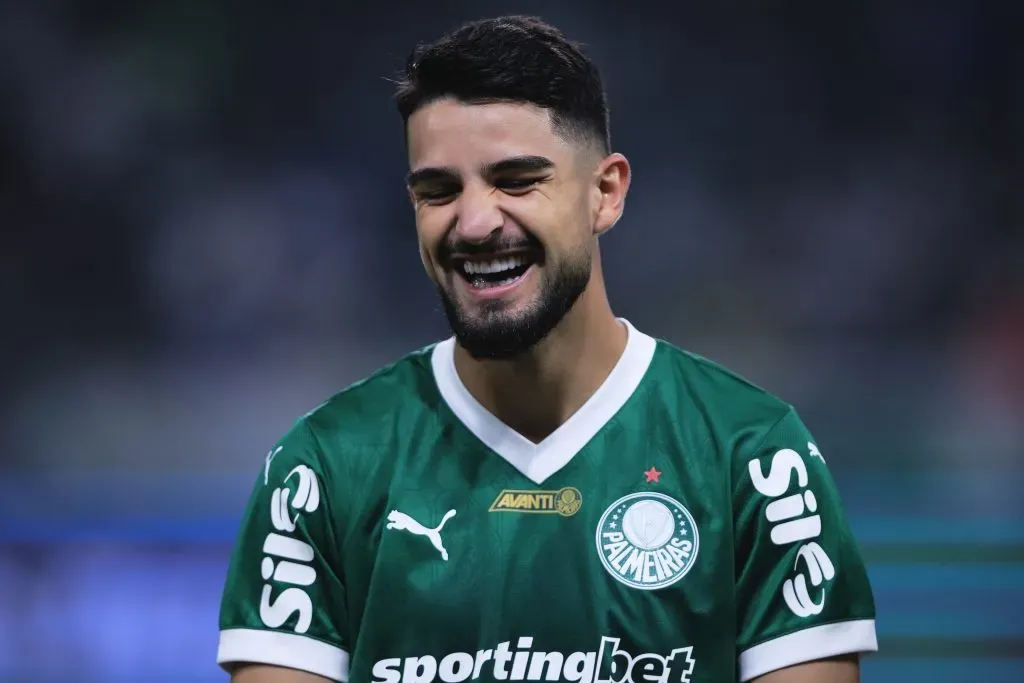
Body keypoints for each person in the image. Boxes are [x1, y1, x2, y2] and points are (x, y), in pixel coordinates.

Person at [216, 15, 877, 683]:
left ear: (605, 193)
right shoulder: (323, 468)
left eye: (517, 180)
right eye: (438, 191)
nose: (475, 223)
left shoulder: (756, 457)